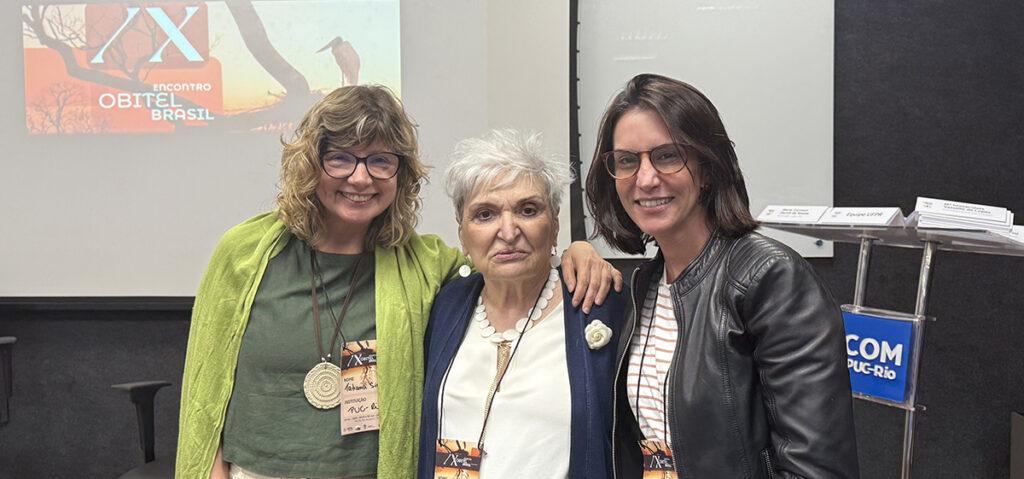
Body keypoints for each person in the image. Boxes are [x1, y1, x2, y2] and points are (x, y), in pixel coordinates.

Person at [176, 86, 620, 479]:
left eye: (380, 161)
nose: (361, 177)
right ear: (311, 164)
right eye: (341, 158)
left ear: (400, 174)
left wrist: (575, 251)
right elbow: (206, 384)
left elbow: (502, 260)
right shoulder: (246, 253)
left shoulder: (423, 264)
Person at [585, 74, 859, 478]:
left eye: (667, 155)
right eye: (627, 160)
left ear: (708, 168)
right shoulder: (646, 284)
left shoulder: (770, 277)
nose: (645, 179)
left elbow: (818, 469)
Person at [417, 130, 627, 479]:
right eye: (485, 215)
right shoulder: (446, 305)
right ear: (462, 233)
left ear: (555, 223)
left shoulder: (599, 304)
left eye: (528, 210)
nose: (509, 231)